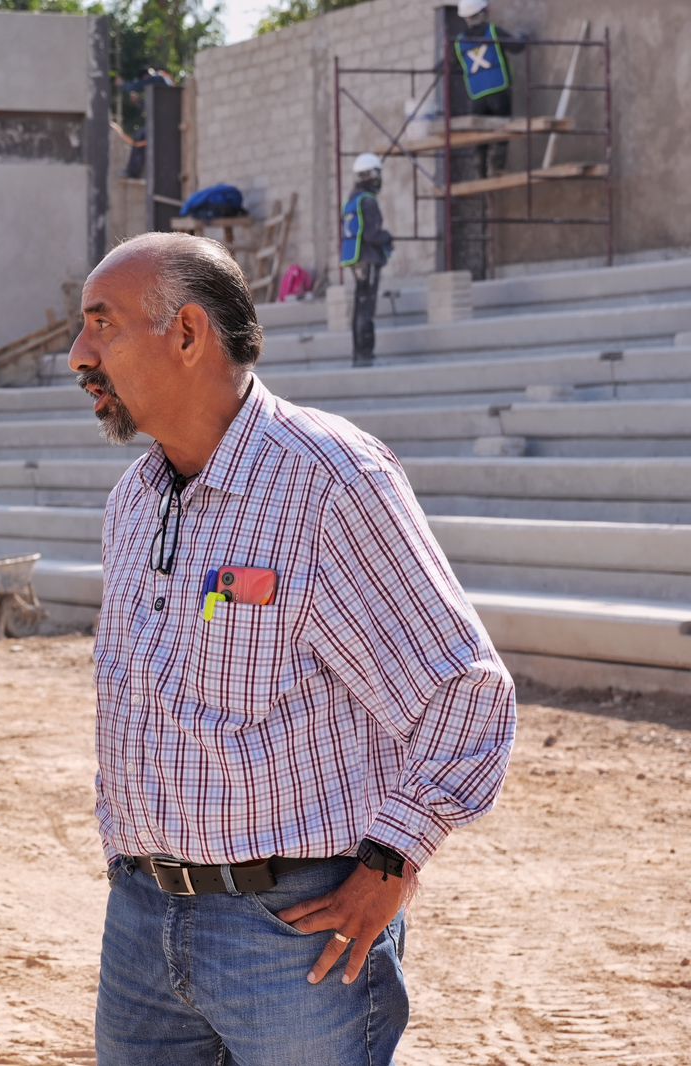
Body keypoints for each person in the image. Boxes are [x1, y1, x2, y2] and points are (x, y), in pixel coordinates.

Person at [68, 231, 516, 1066]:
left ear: (189, 334)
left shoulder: (331, 480)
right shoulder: (134, 501)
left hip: (291, 937)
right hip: (140, 923)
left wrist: (392, 865)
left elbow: (464, 690)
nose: (77, 355)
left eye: (102, 325)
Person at [453, 0, 527, 177]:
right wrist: (524, 37)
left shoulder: (459, 42)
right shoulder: (493, 31)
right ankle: (497, 167)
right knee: (503, 128)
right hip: (498, 90)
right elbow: (517, 47)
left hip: (477, 96)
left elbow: (448, 66)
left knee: (480, 136)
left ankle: (480, 171)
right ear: (483, 12)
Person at [341, 153, 393, 367]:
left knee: (359, 302)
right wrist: (388, 238)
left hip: (356, 260)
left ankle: (357, 352)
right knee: (366, 306)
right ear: (372, 175)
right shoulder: (368, 202)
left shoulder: (353, 199)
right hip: (368, 257)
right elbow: (372, 234)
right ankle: (365, 352)